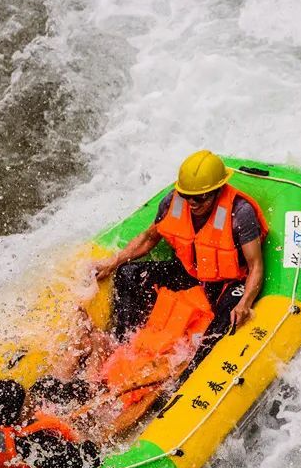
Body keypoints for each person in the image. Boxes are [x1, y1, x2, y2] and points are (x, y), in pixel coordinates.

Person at [95, 150, 268, 363]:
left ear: (217, 191)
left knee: (229, 316)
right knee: (128, 273)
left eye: (200, 197)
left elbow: (256, 266)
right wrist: (113, 262)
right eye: (187, 196)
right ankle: (122, 345)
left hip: (228, 282)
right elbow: (149, 239)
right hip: (190, 272)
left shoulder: (240, 213)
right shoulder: (172, 202)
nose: (192, 203)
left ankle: (192, 373)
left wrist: (246, 302)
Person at [0, 379, 99, 468]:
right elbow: (90, 457)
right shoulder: (32, 446)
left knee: (44, 383)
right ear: (13, 417)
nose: (31, 403)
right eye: (26, 403)